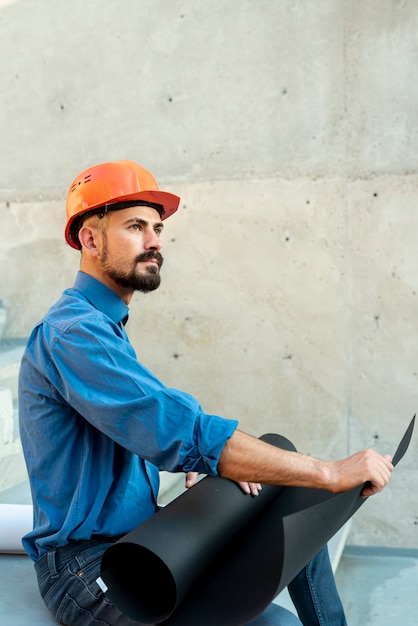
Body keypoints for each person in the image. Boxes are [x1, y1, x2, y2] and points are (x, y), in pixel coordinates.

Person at [18, 160, 393, 626]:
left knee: (285, 491)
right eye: (135, 227)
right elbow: (174, 427)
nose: (155, 241)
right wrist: (328, 471)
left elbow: (143, 429)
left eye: (157, 227)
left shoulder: (102, 327)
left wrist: (212, 473)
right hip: (88, 567)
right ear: (91, 240)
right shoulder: (73, 335)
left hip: (146, 538)